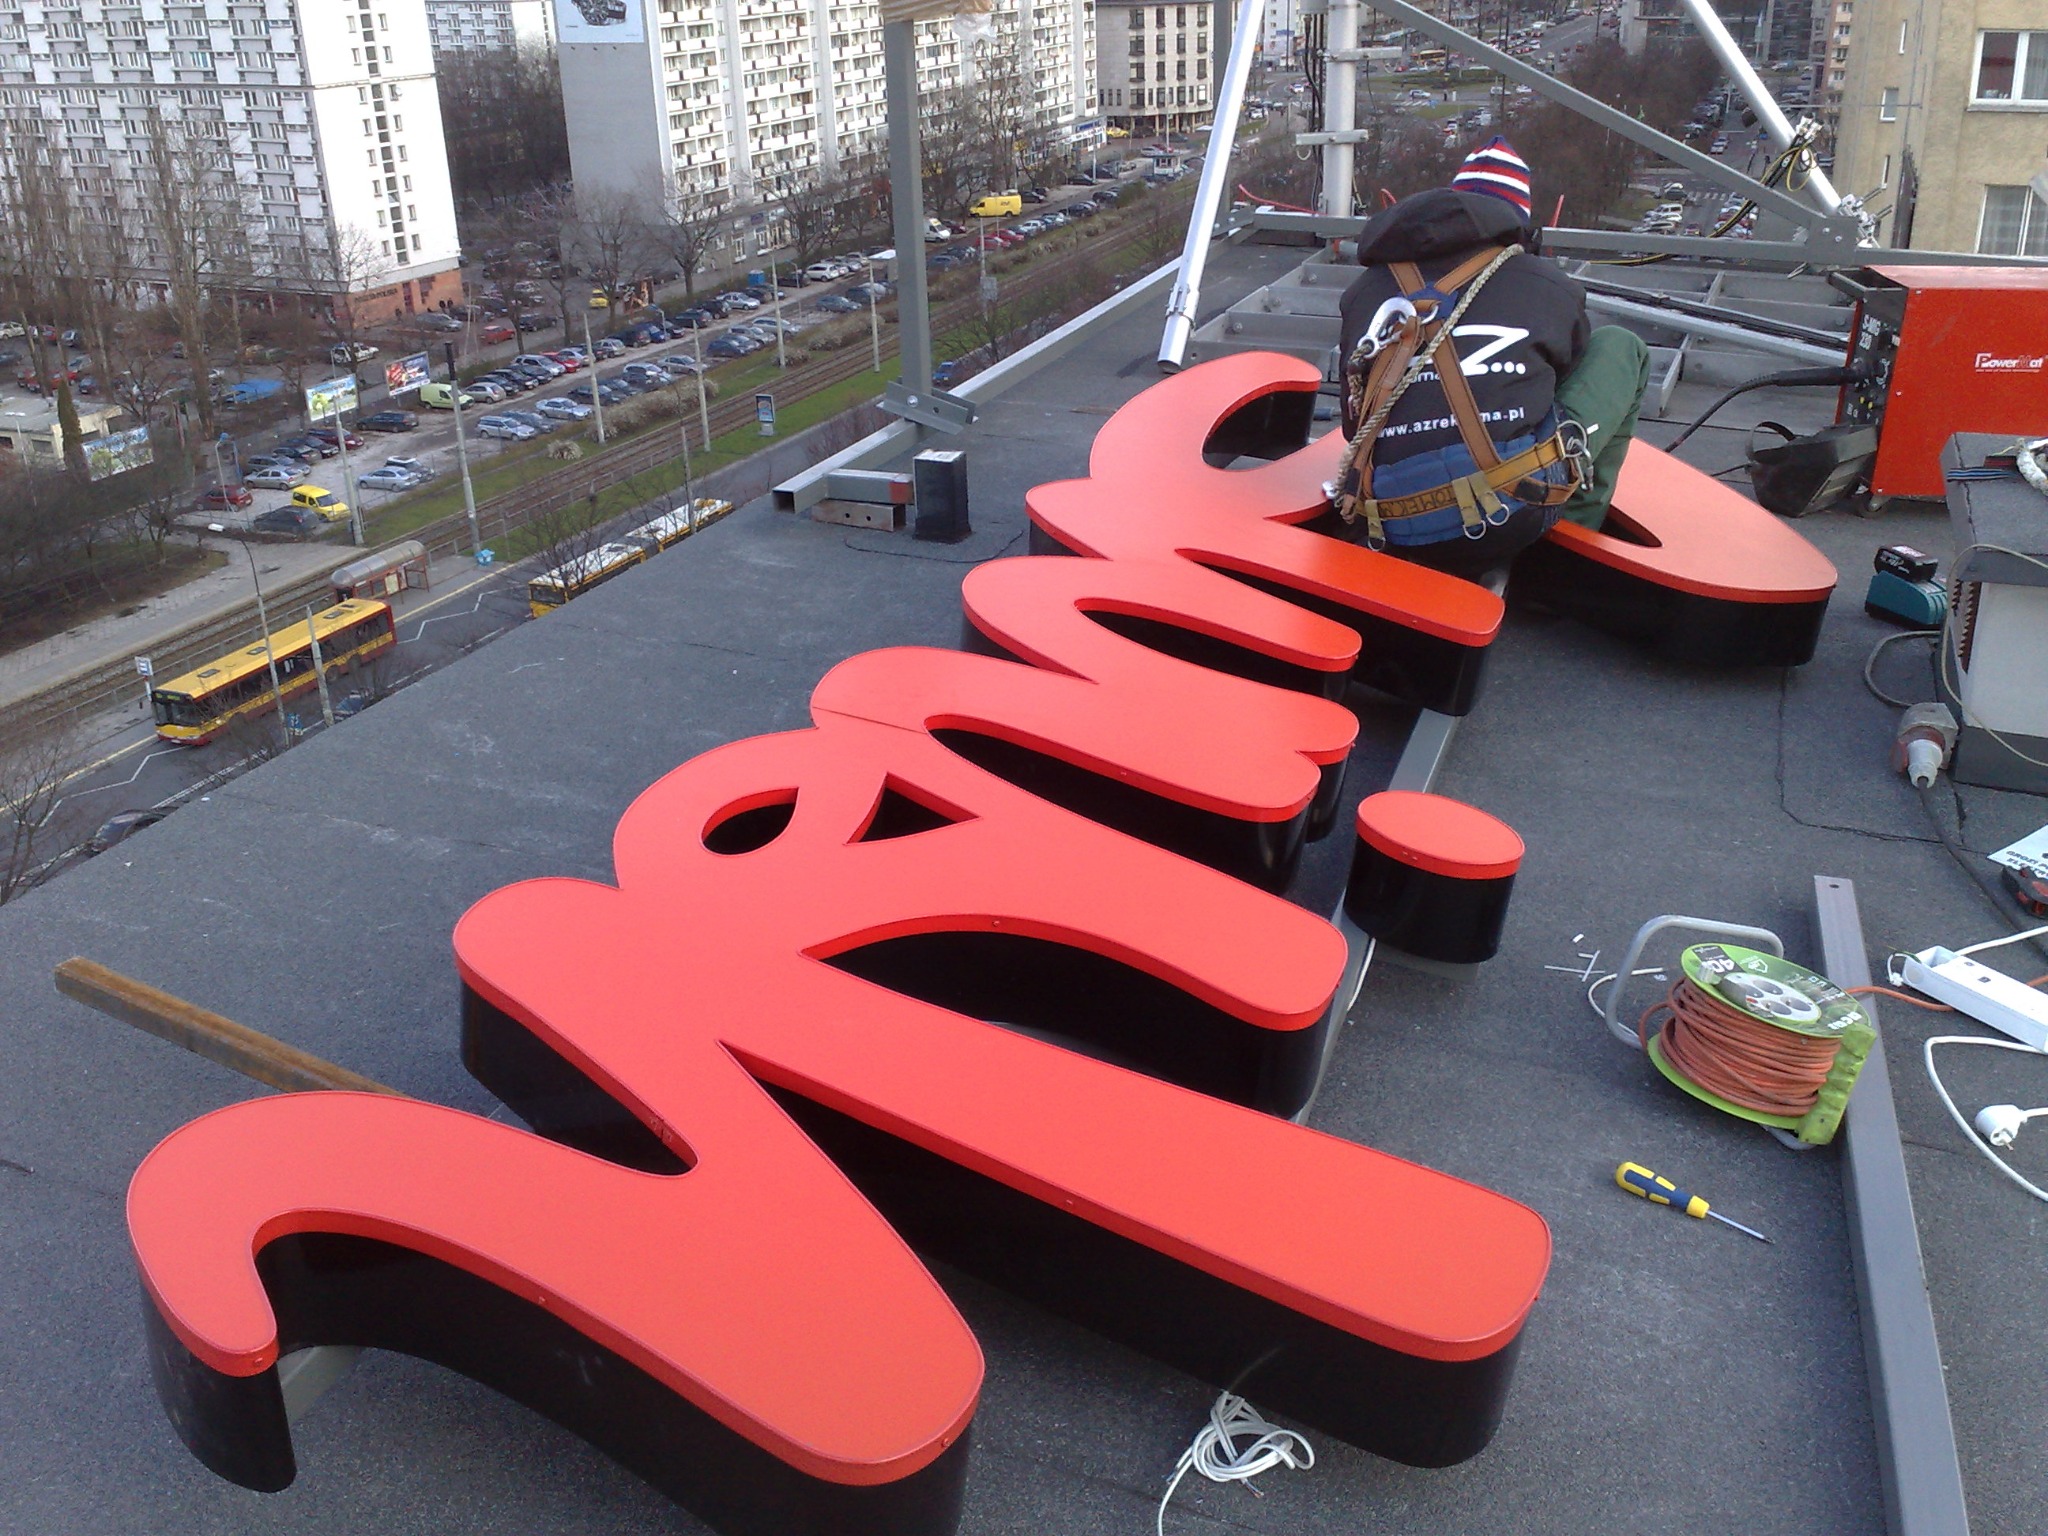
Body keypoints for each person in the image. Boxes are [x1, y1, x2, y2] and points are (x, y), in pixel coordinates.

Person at [1332, 138, 1649, 577]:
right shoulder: (1545, 282)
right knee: (1620, 346)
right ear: (1518, 225)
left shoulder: (1366, 289)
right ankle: (1567, 547)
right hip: (1505, 517)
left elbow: (1355, 422)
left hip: (1386, 517)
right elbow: (1561, 382)